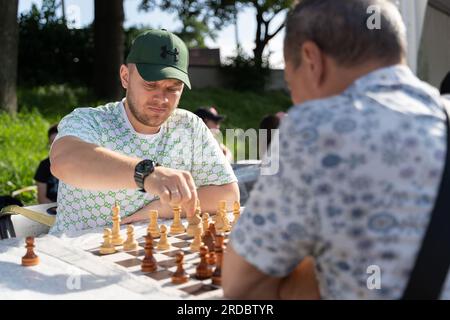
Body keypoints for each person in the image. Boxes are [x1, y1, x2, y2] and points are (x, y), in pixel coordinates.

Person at [223, 0, 450, 299]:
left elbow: (244, 289)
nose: (296, 101)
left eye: (291, 86)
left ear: (311, 59)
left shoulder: (315, 128)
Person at [50, 29, 239, 233]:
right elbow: (64, 161)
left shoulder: (189, 126)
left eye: (173, 88)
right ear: (125, 77)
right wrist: (146, 174)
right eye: (150, 84)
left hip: (151, 252)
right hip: (74, 254)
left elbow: (228, 195)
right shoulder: (89, 120)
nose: (162, 99)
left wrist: (162, 208)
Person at [34, 123, 59, 204]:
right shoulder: (44, 166)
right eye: (52, 142)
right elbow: (41, 199)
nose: (55, 145)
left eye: (58, 141)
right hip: (50, 208)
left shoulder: (76, 164)